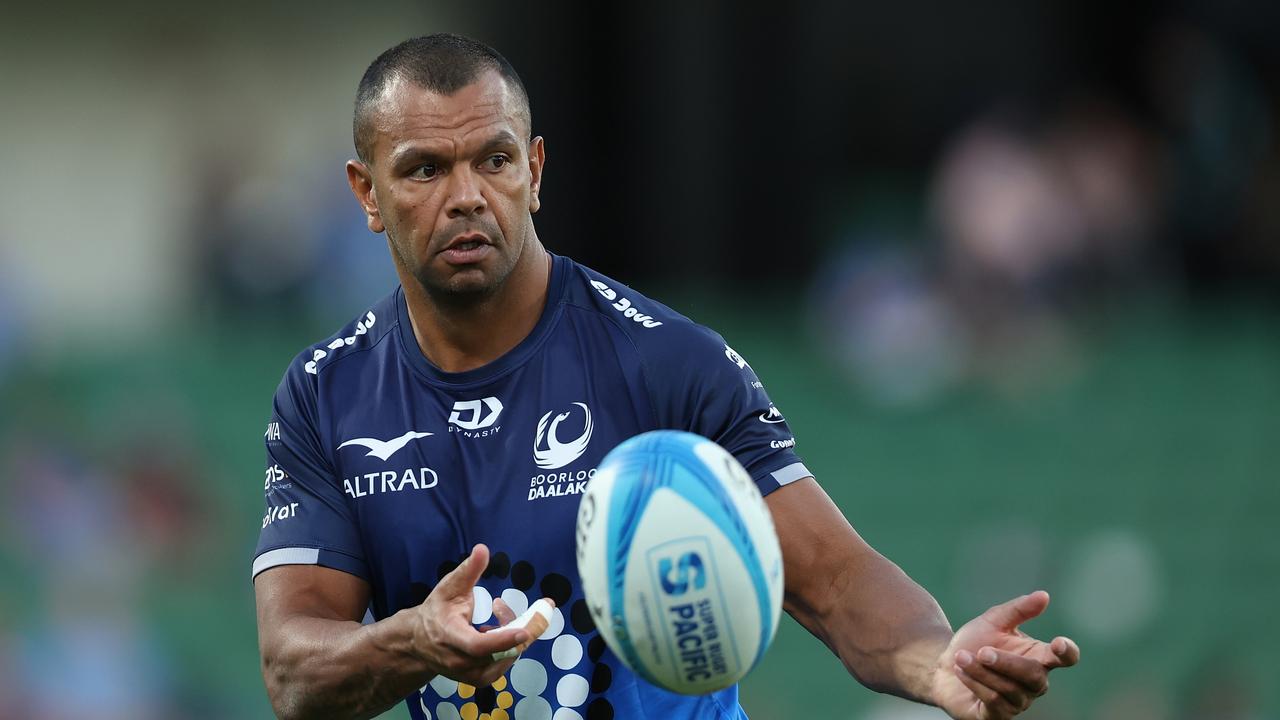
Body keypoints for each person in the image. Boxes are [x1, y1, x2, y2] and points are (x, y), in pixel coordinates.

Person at [252, 34, 1080, 720]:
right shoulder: (327, 396)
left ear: (534, 172)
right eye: (426, 169)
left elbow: (836, 580)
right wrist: (410, 642)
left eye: (494, 160)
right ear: (366, 191)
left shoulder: (665, 362)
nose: (467, 196)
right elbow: (293, 668)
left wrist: (935, 662)